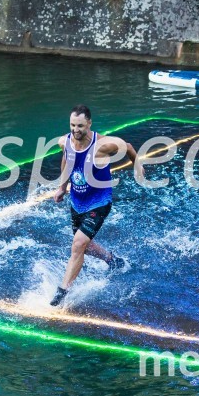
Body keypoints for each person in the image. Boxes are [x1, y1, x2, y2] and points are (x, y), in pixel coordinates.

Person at [50, 104, 144, 307]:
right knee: (85, 246)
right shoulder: (64, 142)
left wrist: (137, 165)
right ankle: (112, 260)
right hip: (77, 202)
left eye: (80, 126)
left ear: (89, 124)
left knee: (78, 245)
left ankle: (62, 292)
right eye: (72, 125)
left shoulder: (102, 145)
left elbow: (127, 146)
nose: (75, 130)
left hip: (100, 202)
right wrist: (62, 187)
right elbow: (66, 159)